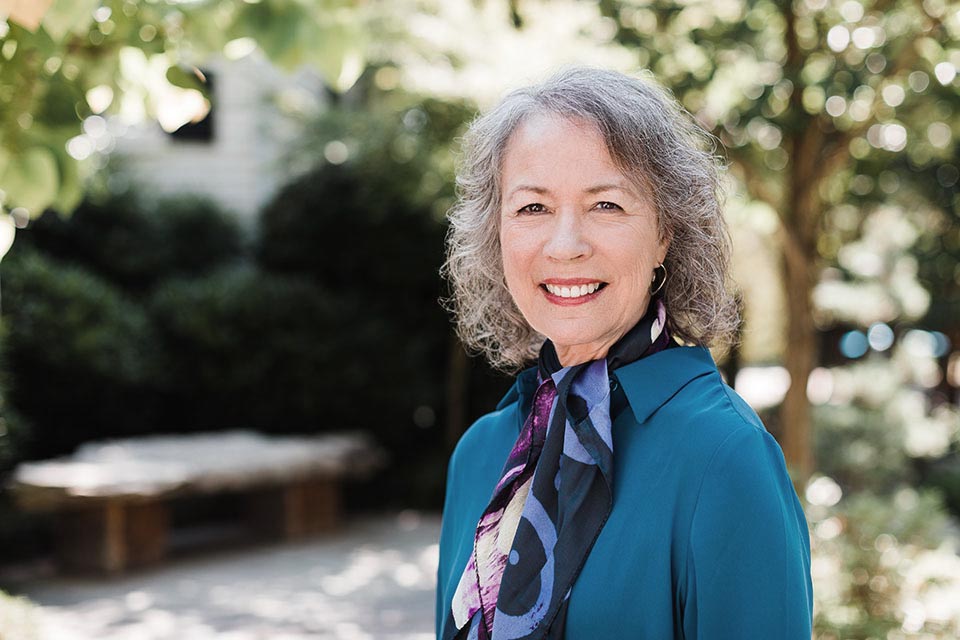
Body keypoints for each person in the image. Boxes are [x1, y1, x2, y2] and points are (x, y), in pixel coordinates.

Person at [435, 66, 813, 640]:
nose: (565, 245)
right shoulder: (480, 454)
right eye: (533, 208)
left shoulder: (725, 455)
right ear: (497, 232)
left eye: (606, 205)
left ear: (665, 232)